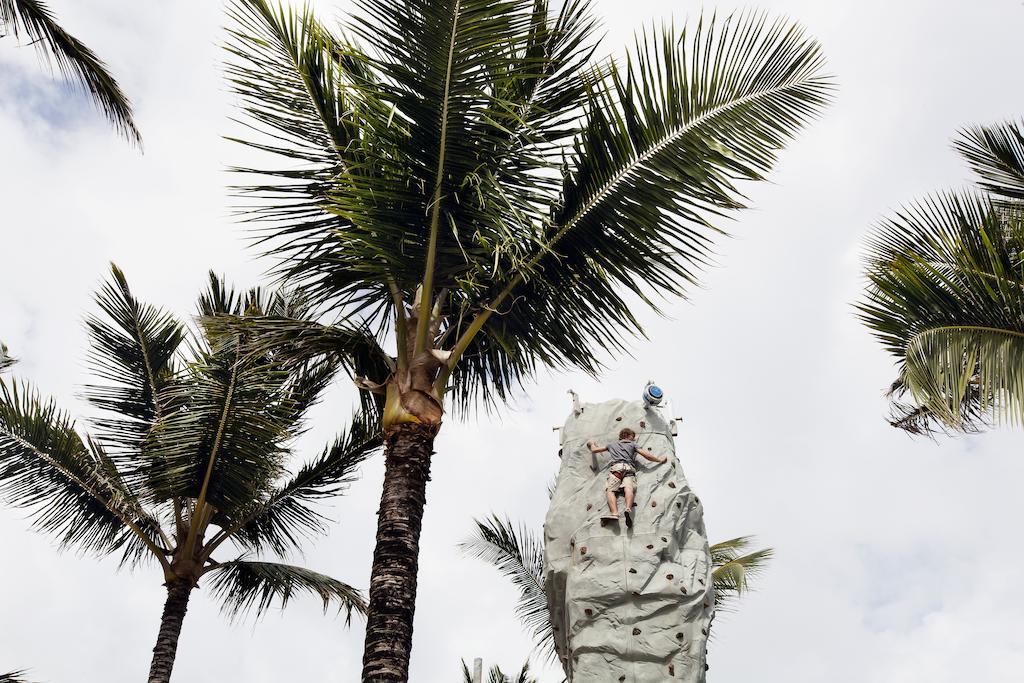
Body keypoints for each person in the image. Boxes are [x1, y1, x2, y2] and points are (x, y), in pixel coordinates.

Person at [587, 427, 666, 528]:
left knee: (610, 491)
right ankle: (628, 508)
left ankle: (614, 513)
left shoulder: (611, 445)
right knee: (629, 488)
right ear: (628, 436)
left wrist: (591, 443)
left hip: (616, 468)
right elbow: (646, 455)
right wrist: (659, 460)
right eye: (633, 437)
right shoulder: (632, 444)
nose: (634, 439)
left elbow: (594, 450)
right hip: (629, 468)